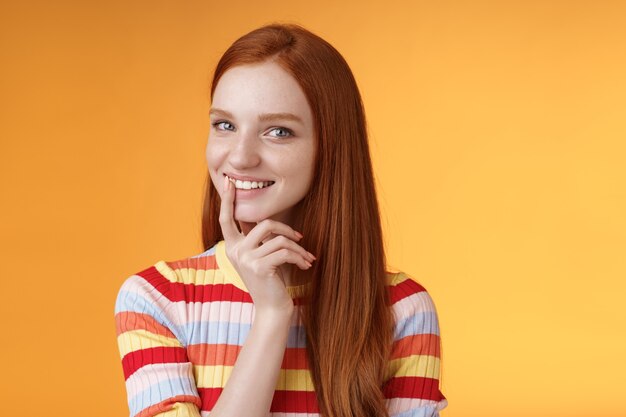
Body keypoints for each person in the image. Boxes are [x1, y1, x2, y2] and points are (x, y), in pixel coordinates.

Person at [114, 23, 448, 417]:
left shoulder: (401, 309)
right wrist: (271, 317)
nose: (240, 157)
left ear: (330, 147)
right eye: (225, 124)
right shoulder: (156, 298)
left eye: (277, 131)